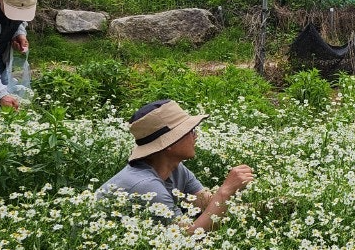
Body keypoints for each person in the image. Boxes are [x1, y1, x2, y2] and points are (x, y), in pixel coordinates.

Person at [96, 99, 254, 234]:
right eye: (189, 130)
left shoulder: (176, 169)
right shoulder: (146, 185)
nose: (195, 135)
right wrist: (225, 191)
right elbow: (187, 236)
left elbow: (205, 204)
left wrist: (262, 207)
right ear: (169, 143)